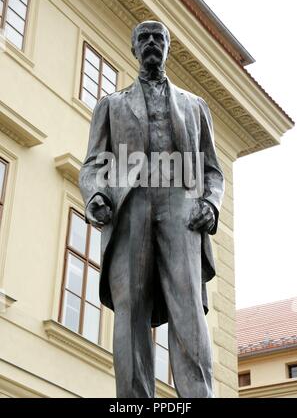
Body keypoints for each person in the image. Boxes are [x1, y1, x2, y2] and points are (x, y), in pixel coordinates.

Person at [79, 21, 224, 398]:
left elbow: (212, 170)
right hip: (130, 205)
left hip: (182, 206)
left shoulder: (195, 106)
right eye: (144, 38)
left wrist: (209, 202)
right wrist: (96, 194)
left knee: (188, 310)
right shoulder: (110, 105)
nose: (151, 43)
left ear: (168, 47)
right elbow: (93, 163)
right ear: (133, 48)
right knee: (130, 311)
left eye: (158, 37)